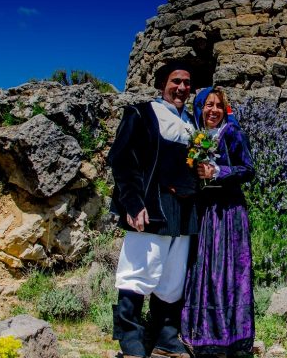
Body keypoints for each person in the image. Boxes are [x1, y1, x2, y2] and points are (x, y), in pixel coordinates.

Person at [107, 61, 199, 358]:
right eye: (176, 81)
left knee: (172, 279)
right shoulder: (141, 114)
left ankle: (165, 338)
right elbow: (122, 161)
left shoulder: (192, 124)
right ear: (163, 85)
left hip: (183, 213)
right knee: (137, 273)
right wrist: (132, 203)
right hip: (150, 208)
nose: (182, 88)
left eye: (186, 83)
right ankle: (130, 340)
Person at [181, 88, 255, 357]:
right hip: (204, 212)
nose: (213, 110)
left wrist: (219, 171)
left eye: (219, 106)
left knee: (229, 272)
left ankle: (232, 336)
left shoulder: (232, 133)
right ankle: (201, 334)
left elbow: (248, 169)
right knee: (204, 269)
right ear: (199, 108)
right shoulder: (196, 138)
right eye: (208, 105)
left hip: (229, 212)